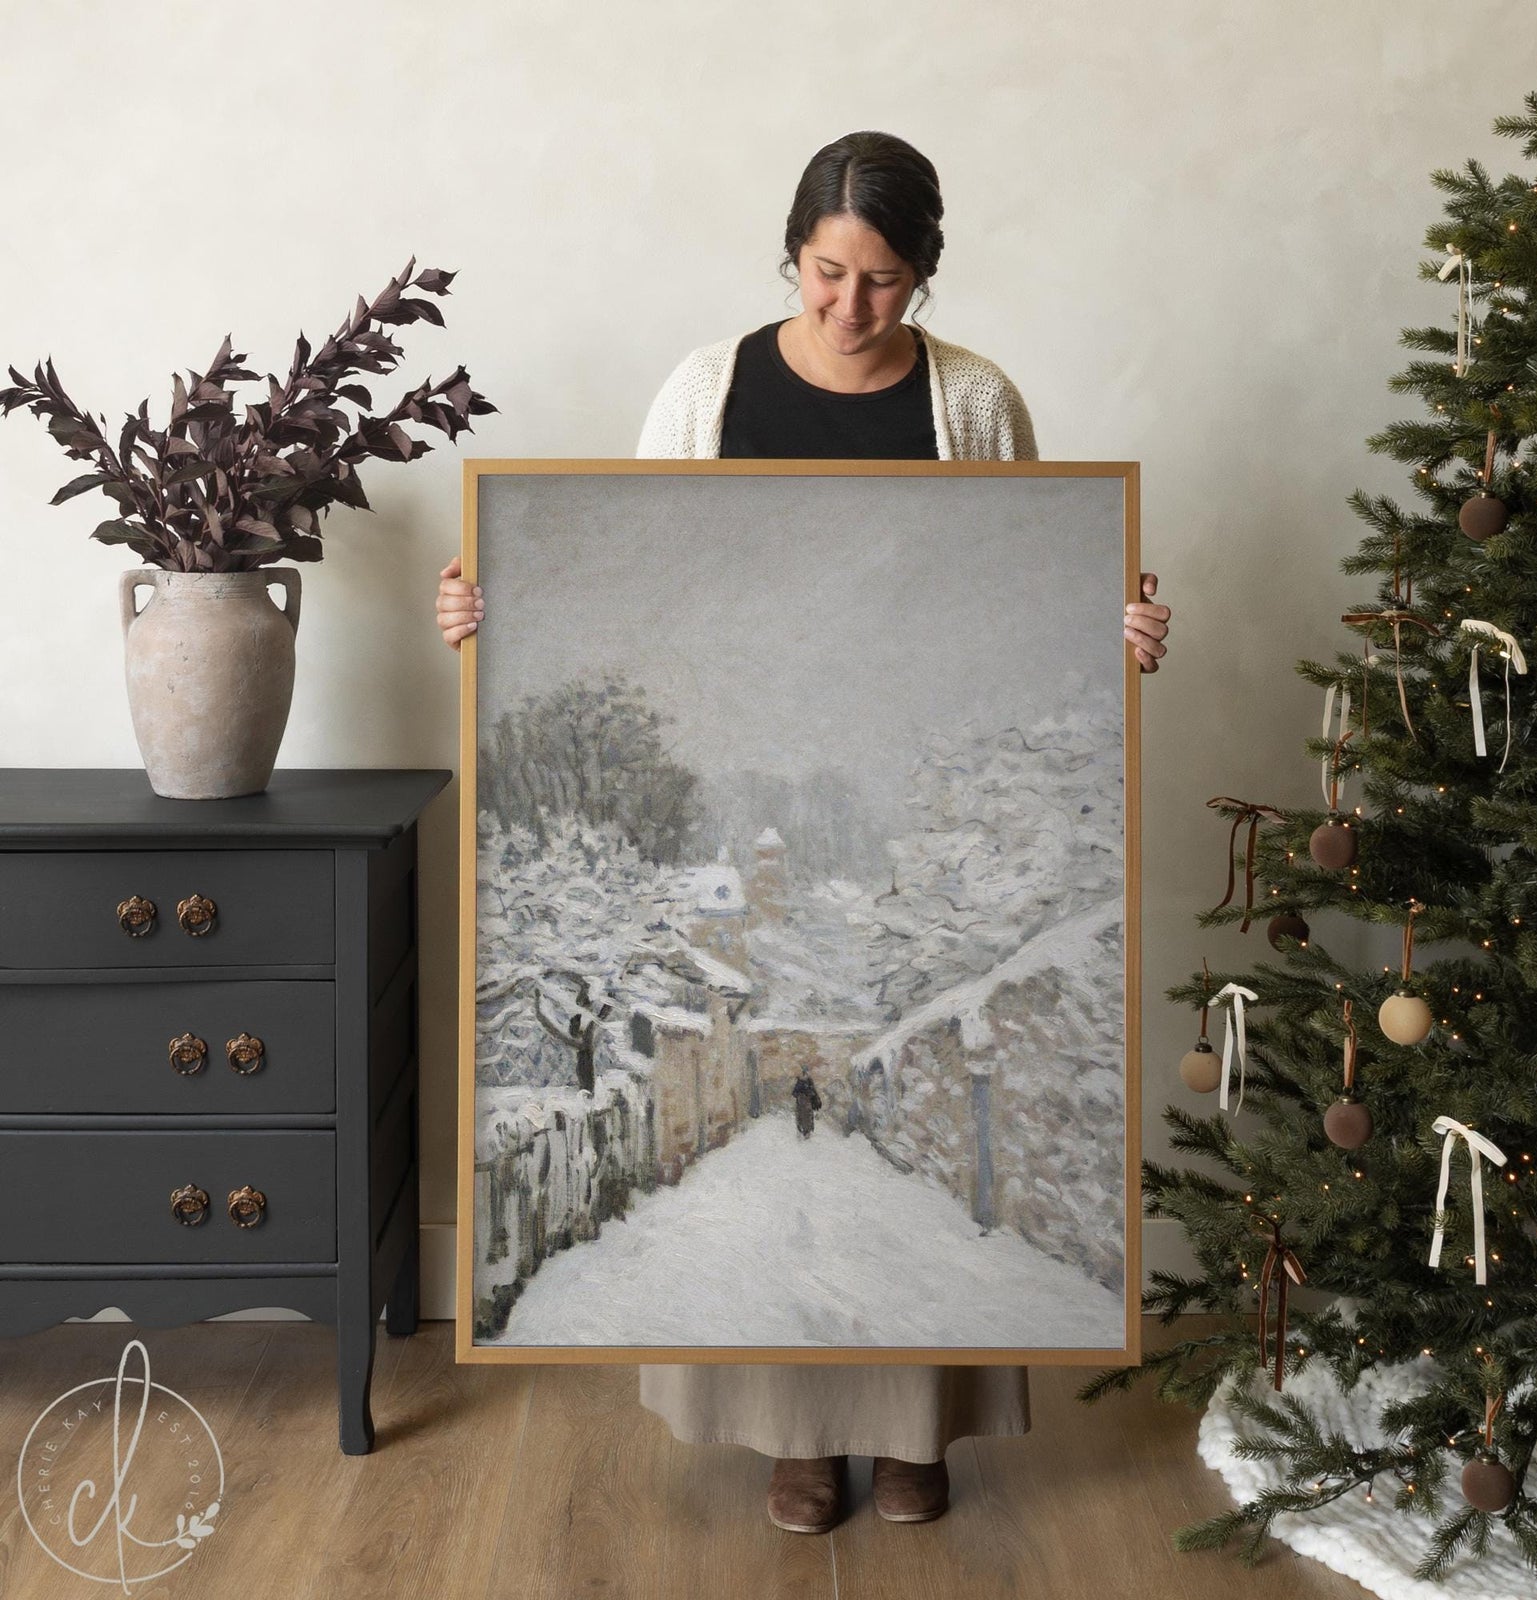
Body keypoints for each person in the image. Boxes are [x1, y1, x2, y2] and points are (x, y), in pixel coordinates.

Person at [437, 129, 1171, 1535]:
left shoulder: (978, 405)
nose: (850, 308)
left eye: (885, 282)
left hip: (912, 798)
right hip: (791, 769)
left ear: (926, 277)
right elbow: (622, 581)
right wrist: (489, 614)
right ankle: (791, 1435)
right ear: (792, 257)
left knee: (885, 1228)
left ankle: (915, 1439)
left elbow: (1042, 592)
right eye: (827, 273)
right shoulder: (706, 390)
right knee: (782, 1231)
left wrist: (1122, 630)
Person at [792, 1067, 821, 1139]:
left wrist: (815, 1099)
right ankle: (803, 1131)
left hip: (808, 1103)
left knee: (808, 1116)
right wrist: (801, 1096)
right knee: (802, 1117)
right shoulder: (800, 1082)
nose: (808, 1074)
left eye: (808, 1072)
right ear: (804, 1073)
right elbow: (794, 1093)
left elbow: (814, 1091)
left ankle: (807, 1132)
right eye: (806, 1072)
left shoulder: (810, 1081)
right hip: (801, 1103)